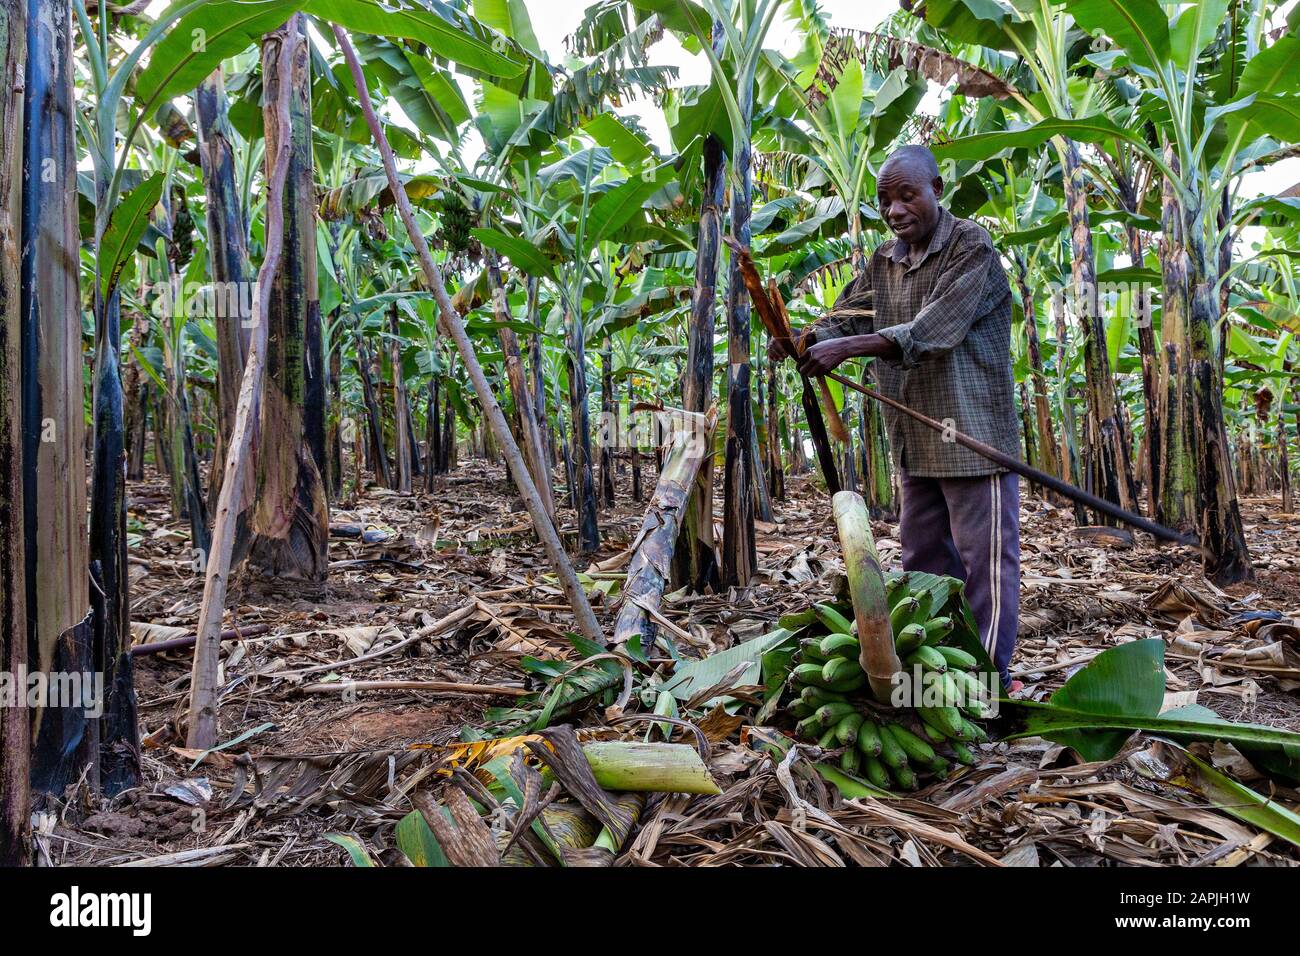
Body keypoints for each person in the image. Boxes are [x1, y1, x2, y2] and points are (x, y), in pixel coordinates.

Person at [770, 144, 1023, 692]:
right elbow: (846, 316)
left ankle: (989, 682)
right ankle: (939, 673)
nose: (895, 210)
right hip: (914, 439)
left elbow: (935, 329)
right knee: (923, 562)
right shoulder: (884, 261)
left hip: (972, 438)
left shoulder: (971, 247)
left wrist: (852, 346)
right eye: (884, 201)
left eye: (907, 195)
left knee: (986, 569)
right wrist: (806, 339)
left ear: (937, 188)